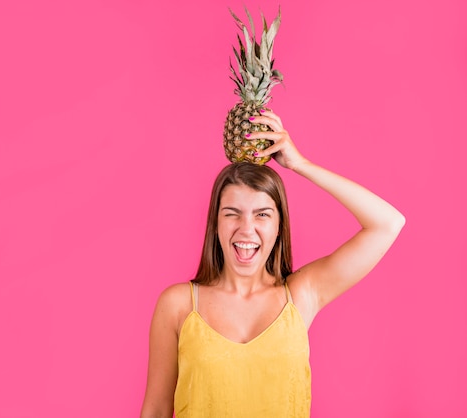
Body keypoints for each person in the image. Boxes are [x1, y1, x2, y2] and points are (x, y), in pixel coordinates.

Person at [140, 110, 406, 418]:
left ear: (280, 226)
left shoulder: (302, 295)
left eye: (262, 214)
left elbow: (388, 223)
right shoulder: (178, 305)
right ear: (215, 223)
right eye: (232, 213)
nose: (247, 229)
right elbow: (156, 410)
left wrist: (300, 164)